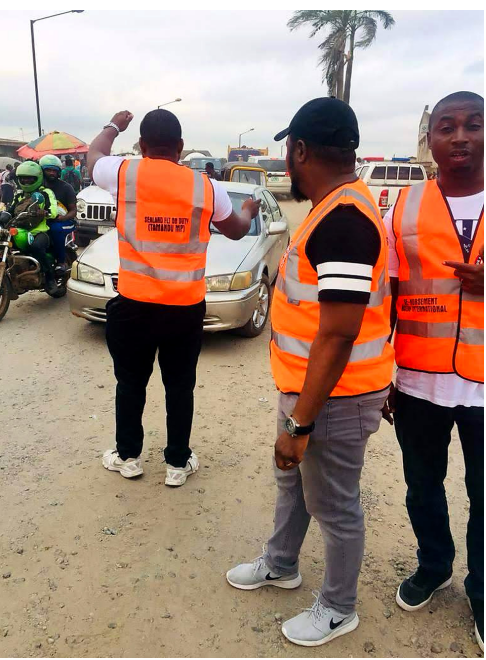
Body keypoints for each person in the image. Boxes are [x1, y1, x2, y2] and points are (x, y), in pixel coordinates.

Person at [226, 98, 394, 647]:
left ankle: (340, 607)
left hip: (336, 397)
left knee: (335, 505)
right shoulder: (332, 208)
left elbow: (340, 330)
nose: (285, 165)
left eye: (286, 152)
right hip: (309, 388)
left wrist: (300, 424)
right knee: (291, 484)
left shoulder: (344, 220)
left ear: (300, 151)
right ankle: (281, 564)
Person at [88, 109, 260, 486]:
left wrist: (115, 125)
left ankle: (128, 456)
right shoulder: (206, 187)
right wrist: (248, 210)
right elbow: (235, 231)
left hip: (134, 305)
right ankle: (177, 464)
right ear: (181, 148)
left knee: (130, 384)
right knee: (180, 387)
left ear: (142, 146)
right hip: (183, 309)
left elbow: (93, 155)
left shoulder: (123, 173)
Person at [382, 91, 484, 652]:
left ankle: (484, 590)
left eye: (473, 125)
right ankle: (434, 565)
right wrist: (381, 374)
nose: (461, 136)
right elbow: (387, 294)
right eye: (447, 126)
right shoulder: (403, 205)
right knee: (423, 487)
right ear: (431, 139)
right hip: (419, 380)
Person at [8, 161, 59, 295]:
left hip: (39, 231)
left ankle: (50, 278)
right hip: (20, 229)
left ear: (38, 178)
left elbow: (53, 210)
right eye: (23, 178)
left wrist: (44, 212)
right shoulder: (19, 195)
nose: (26, 180)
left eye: (30, 178)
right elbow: (10, 210)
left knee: (36, 246)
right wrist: (4, 214)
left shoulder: (46, 193)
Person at [39, 154, 77, 269]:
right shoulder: (38, 186)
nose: (51, 173)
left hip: (64, 222)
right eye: (48, 170)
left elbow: (73, 211)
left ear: (58, 172)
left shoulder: (66, 187)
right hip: (43, 220)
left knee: (55, 229)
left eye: (54, 170)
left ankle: (61, 262)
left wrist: (61, 218)